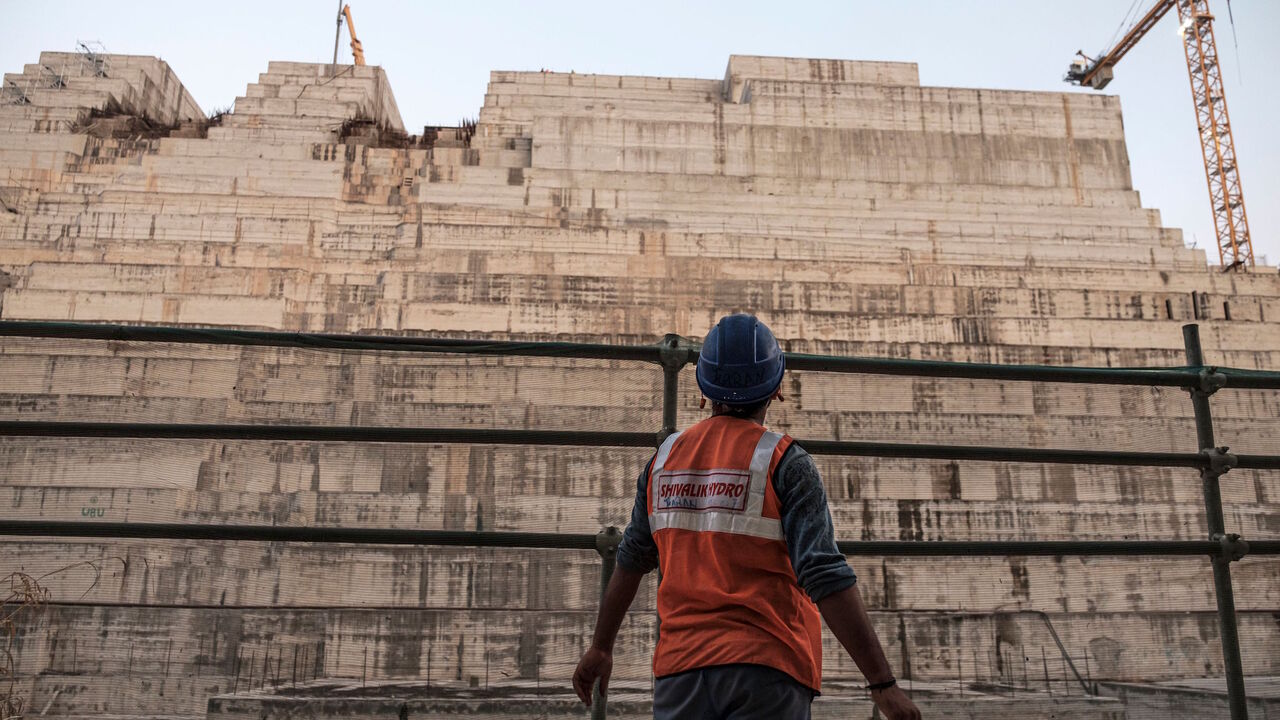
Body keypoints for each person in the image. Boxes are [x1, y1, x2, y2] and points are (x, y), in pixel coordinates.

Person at [572, 313, 921, 719]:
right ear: (775, 390)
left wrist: (601, 647)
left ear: (703, 390)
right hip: (768, 669)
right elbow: (823, 572)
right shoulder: (785, 462)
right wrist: (882, 684)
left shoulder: (662, 462)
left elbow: (632, 558)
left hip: (680, 673)